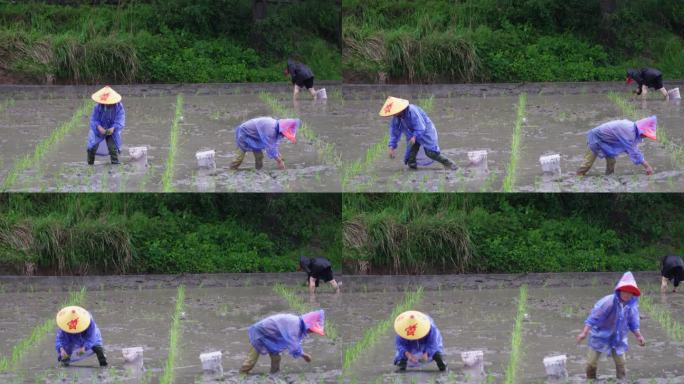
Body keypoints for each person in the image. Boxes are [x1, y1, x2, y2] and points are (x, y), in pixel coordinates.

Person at [576, 272, 645, 380]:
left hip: (618, 338)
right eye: (624, 291)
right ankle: (591, 380)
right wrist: (584, 333)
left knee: (621, 362)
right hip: (600, 334)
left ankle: (621, 380)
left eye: (630, 292)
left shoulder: (631, 307)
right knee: (592, 362)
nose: (627, 294)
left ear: (633, 294)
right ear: (619, 290)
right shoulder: (608, 302)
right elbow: (593, 318)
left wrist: (639, 336)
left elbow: (633, 323)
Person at [379, 97, 458, 170]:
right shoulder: (396, 118)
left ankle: (449, 164)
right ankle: (412, 170)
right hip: (412, 135)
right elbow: (394, 132)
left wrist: (415, 136)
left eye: (394, 112)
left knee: (430, 152)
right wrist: (392, 147)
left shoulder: (412, 111)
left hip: (425, 131)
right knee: (410, 156)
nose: (393, 114)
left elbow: (421, 127)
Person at [240, 310, 325, 374]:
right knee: (252, 358)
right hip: (260, 332)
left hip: (271, 336)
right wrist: (304, 355)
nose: (312, 332)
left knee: (276, 357)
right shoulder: (295, 325)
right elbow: (294, 346)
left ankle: (274, 375)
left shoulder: (297, 323)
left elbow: (293, 342)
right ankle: (242, 375)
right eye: (312, 330)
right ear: (308, 326)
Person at [576, 116, 656, 176]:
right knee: (587, 163)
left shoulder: (633, 129)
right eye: (646, 135)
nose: (646, 137)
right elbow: (633, 151)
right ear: (641, 130)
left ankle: (608, 177)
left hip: (607, 142)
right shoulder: (629, 130)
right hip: (596, 138)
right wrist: (647, 166)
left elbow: (632, 148)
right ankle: (578, 176)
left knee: (611, 161)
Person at [230, 117, 299, 170]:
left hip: (255, 136)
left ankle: (258, 171)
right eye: (284, 134)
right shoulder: (271, 129)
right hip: (245, 132)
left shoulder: (276, 126)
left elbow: (274, 145)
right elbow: (270, 148)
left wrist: (279, 156)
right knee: (239, 157)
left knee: (259, 156)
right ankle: (232, 171)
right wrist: (279, 161)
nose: (284, 136)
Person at [87, 86, 125, 165]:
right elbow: (94, 120)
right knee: (92, 147)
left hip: (112, 131)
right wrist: (99, 127)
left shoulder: (119, 107)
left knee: (112, 148)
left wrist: (113, 128)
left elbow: (120, 120)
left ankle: (115, 165)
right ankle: (90, 165)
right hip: (99, 130)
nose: (107, 104)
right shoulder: (98, 107)